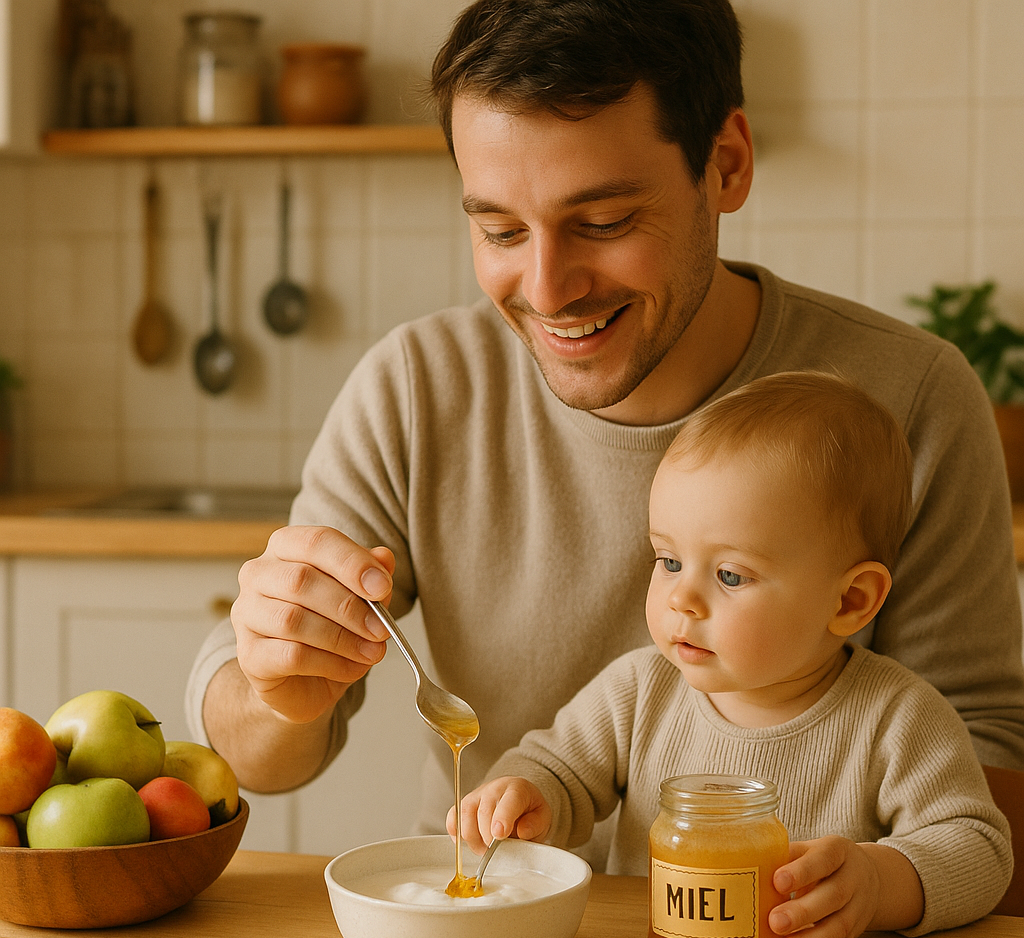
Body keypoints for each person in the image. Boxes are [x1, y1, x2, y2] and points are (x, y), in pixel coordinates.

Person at [185, 0, 1024, 846]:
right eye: (501, 228)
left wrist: (858, 882)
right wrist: (278, 690)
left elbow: (987, 768)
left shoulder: (908, 395)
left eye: (604, 223)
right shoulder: (416, 388)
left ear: (726, 165)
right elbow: (259, 758)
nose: (548, 290)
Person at [448, 372, 1013, 938]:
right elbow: (557, 769)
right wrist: (523, 795)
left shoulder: (898, 717)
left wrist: (878, 883)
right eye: (668, 560)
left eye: (730, 576)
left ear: (849, 601)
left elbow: (980, 851)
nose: (680, 600)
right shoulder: (638, 690)